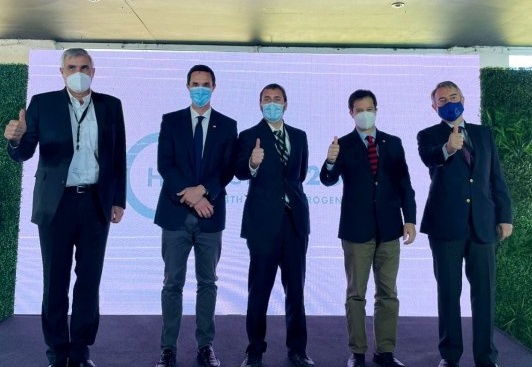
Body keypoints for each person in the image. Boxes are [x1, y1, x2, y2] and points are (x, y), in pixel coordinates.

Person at [4, 48, 127, 367]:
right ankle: (58, 351)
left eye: (84, 66)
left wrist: (118, 200)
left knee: (89, 279)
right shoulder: (43, 104)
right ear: (61, 72)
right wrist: (16, 140)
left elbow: (119, 158)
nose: (78, 71)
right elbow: (24, 153)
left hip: (95, 203)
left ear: (94, 71)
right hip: (56, 205)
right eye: (72, 67)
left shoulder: (111, 106)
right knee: (54, 279)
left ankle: (81, 350)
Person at [417, 81, 513, 367]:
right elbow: (429, 159)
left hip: (483, 226)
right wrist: (447, 148)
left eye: (453, 97)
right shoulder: (428, 135)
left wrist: (505, 216)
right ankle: (450, 355)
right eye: (442, 100)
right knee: (448, 292)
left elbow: (496, 177)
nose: (449, 103)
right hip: (445, 226)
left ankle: (486, 356)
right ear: (434, 107)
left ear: (464, 99)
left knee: (484, 294)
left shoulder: (484, 134)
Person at [320, 89, 416, 367]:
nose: (365, 113)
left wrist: (409, 218)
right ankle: (357, 352)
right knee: (356, 294)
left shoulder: (393, 143)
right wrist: (330, 160)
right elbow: (327, 180)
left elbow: (404, 185)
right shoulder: (344, 144)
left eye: (369, 108)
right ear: (351, 112)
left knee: (388, 293)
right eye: (359, 109)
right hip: (356, 230)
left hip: (389, 230)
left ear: (376, 109)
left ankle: (385, 351)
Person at [153, 64, 237, 367]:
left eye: (206, 83)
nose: (200, 88)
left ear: (214, 87)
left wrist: (202, 191)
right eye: (195, 83)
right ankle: (168, 349)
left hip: (210, 213)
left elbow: (226, 169)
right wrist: (189, 196)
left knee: (208, 283)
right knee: (172, 283)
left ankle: (205, 347)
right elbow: (165, 164)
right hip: (175, 214)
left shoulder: (227, 125)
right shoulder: (171, 121)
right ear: (187, 86)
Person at [235, 83, 314, 367]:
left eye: (277, 99)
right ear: (259, 104)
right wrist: (253, 164)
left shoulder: (300, 136)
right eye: (266, 100)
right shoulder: (248, 136)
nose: (272, 103)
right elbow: (240, 172)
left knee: (296, 290)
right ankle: (254, 350)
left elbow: (300, 174)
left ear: (286, 104)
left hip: (294, 223)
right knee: (259, 290)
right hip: (262, 225)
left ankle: (297, 350)